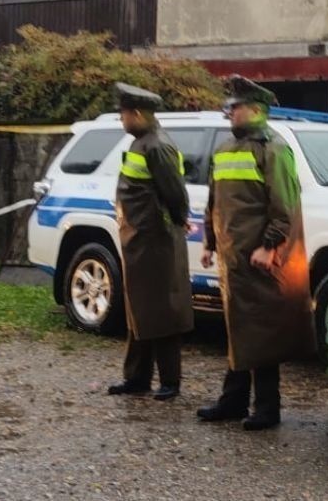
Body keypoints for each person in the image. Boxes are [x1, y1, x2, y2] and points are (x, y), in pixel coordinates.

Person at [197, 75, 316, 430]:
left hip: (259, 257)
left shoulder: (274, 148)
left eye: (234, 108)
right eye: (228, 108)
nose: (228, 113)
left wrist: (269, 246)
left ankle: (267, 408)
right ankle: (232, 401)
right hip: (233, 257)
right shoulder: (225, 150)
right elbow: (214, 200)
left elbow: (284, 204)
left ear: (257, 110)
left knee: (261, 330)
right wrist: (209, 242)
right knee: (238, 328)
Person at [106, 82, 194, 401]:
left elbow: (174, 191)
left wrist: (181, 217)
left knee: (162, 310)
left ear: (138, 114)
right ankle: (136, 378)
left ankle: (170, 380)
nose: (122, 120)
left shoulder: (158, 146)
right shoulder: (142, 143)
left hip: (157, 241)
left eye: (124, 115)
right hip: (139, 240)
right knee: (140, 309)